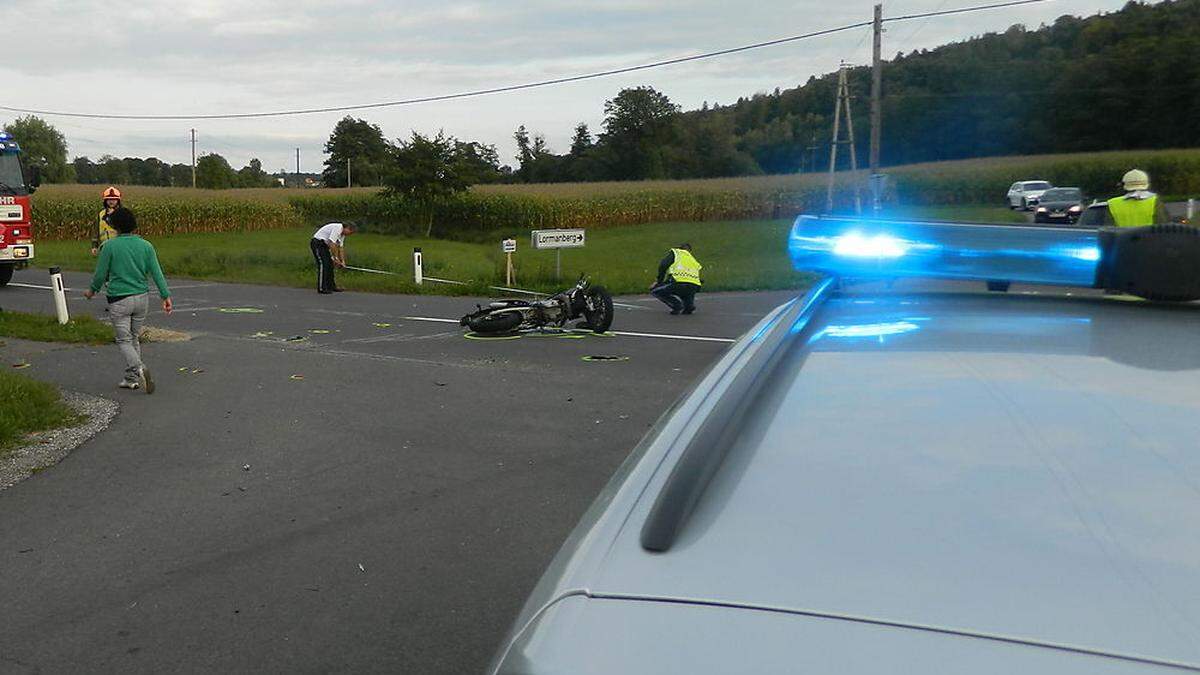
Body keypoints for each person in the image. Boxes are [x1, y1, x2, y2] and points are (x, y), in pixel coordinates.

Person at [83, 207, 172, 393]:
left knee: (123, 340)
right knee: (134, 338)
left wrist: (92, 291)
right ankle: (131, 379)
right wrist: (165, 296)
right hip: (142, 298)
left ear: (115, 226)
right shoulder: (146, 246)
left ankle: (139, 368)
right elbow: (157, 273)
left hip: (119, 299)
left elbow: (100, 275)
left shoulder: (109, 247)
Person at [1104, 169, 1170, 227]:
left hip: (1122, 240)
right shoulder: (1154, 201)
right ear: (1146, 183)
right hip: (1150, 240)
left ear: (1124, 185)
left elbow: (1109, 230)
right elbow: (1163, 226)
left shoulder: (1113, 203)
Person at [650, 243, 702, 315]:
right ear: (690, 251)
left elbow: (663, 265)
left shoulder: (676, 253)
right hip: (694, 286)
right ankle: (689, 305)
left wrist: (659, 281)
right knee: (687, 290)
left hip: (678, 283)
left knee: (655, 290)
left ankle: (676, 304)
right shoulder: (693, 260)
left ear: (679, 248)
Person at [311, 221, 356, 294]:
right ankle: (322, 288)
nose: (350, 234)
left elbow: (340, 248)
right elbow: (332, 244)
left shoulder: (342, 234)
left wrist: (342, 261)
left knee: (330, 265)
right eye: (350, 232)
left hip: (325, 246)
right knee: (323, 264)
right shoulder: (337, 228)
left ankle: (331, 286)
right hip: (318, 244)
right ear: (347, 228)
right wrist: (335, 258)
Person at [91, 186, 123, 256]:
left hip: (119, 246)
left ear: (118, 201)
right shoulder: (101, 214)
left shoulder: (122, 214)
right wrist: (94, 246)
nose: (111, 201)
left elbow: (124, 229)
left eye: (114, 200)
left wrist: (113, 216)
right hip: (104, 246)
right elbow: (96, 231)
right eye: (109, 199)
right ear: (105, 201)